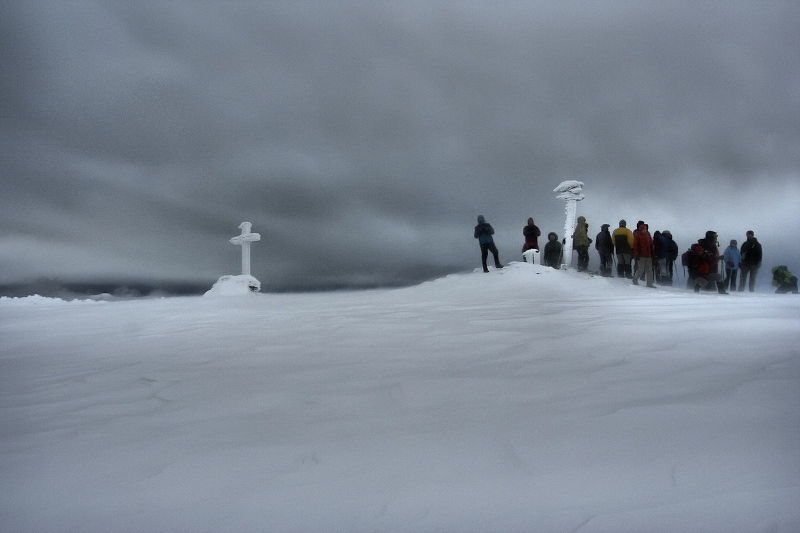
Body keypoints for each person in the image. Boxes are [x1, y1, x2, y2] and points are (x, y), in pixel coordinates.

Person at [632, 221, 656, 288]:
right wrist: (636, 254)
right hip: (641, 255)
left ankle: (649, 283)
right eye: (644, 228)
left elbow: (651, 246)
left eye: (645, 228)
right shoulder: (638, 237)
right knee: (641, 269)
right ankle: (635, 279)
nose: (645, 230)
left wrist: (652, 254)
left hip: (648, 256)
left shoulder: (648, 237)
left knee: (649, 270)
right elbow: (635, 246)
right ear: (641, 229)